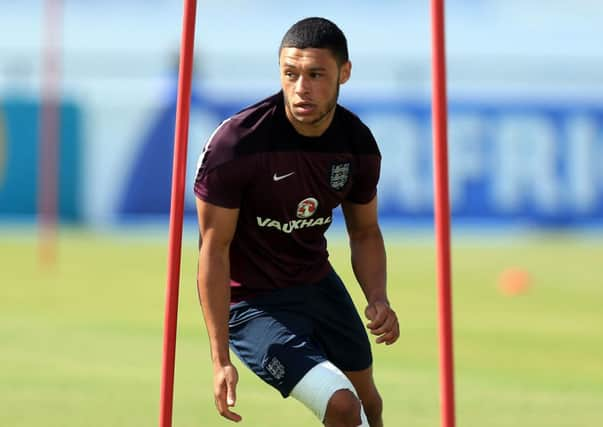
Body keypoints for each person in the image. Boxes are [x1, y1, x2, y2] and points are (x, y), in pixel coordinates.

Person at [193, 17, 399, 427]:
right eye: (291, 74)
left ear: (344, 73)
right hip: (252, 306)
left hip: (317, 286)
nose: (301, 87)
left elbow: (364, 230)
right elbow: (213, 250)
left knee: (368, 404)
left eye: (316, 74)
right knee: (342, 405)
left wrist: (378, 296)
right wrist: (219, 360)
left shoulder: (357, 145)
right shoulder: (237, 144)